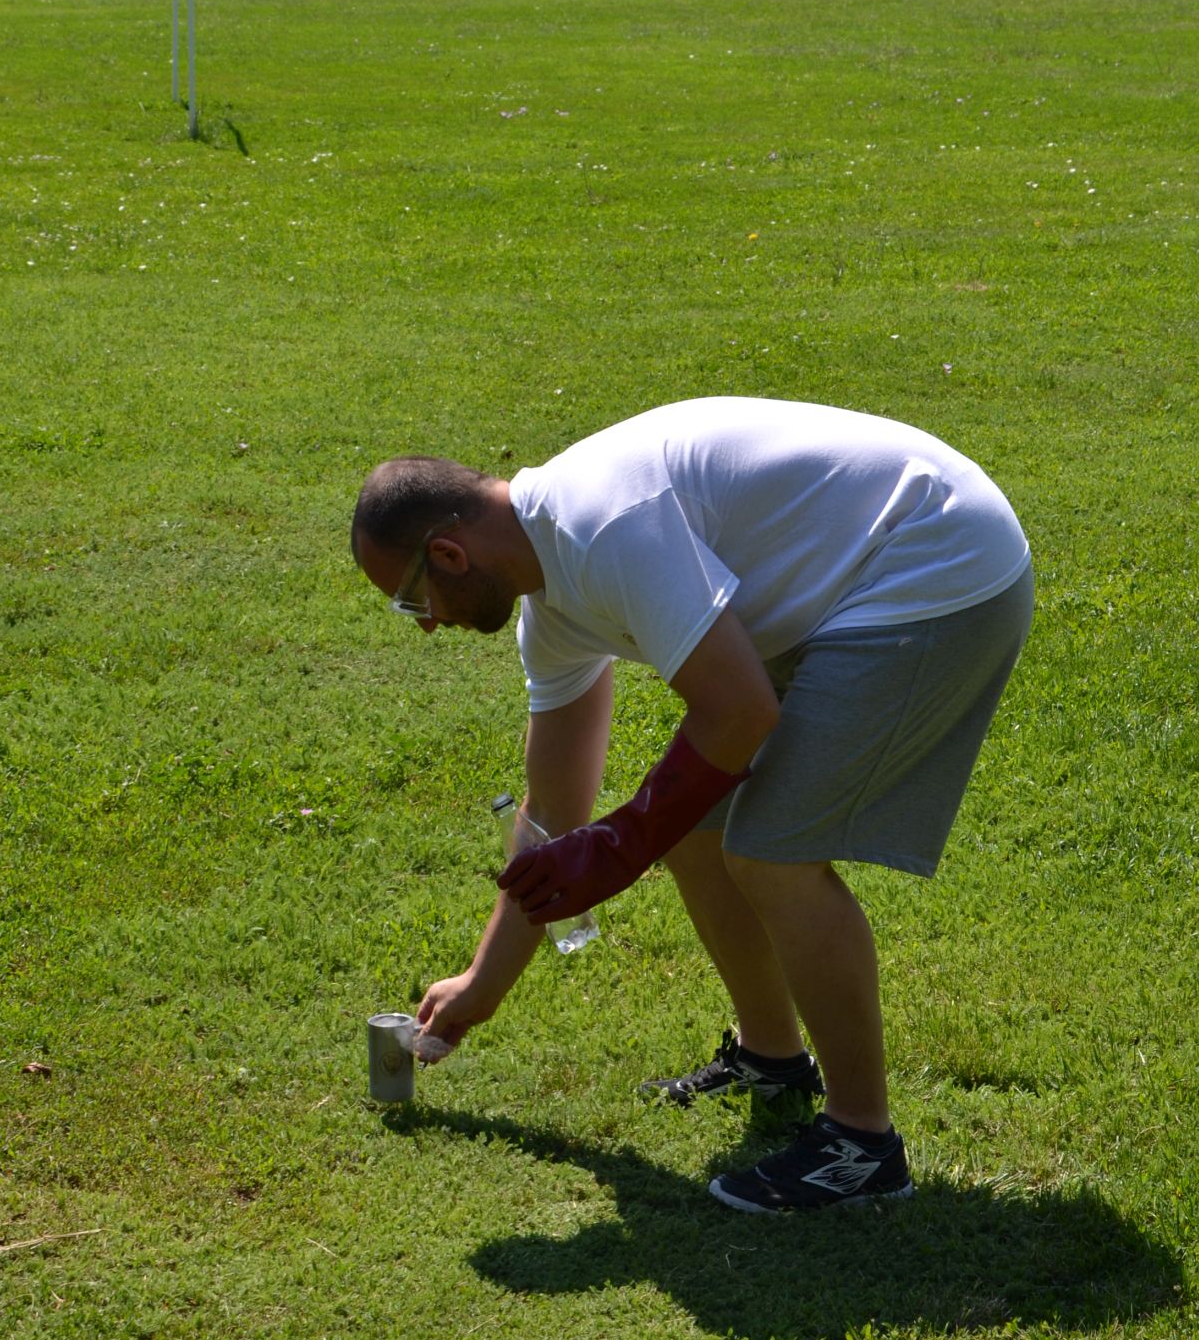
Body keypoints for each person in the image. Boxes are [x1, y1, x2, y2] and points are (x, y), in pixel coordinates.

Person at [350, 397, 1032, 1213]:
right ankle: (772, 1061)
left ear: (449, 554)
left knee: (772, 855)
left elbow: (739, 712)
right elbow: (555, 812)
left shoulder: (600, 524)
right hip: (854, 579)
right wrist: (481, 983)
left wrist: (621, 844)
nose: (426, 626)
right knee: (698, 832)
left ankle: (862, 1146)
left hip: (936, 561)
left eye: (411, 601)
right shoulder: (553, 604)